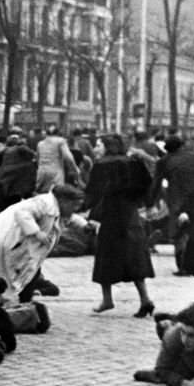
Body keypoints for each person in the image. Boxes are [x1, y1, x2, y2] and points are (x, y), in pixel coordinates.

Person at [0, 185, 86, 304]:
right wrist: (37, 233)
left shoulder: (54, 207)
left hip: (24, 250)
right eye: (74, 205)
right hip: (9, 242)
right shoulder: (43, 203)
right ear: (64, 201)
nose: (75, 209)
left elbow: (68, 218)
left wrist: (84, 225)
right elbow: (22, 213)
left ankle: (23, 306)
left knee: (25, 278)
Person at [83, 134, 155, 316]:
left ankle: (107, 299)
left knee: (106, 256)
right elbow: (147, 185)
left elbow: (94, 191)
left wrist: (87, 209)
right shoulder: (133, 162)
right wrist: (143, 204)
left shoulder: (101, 165)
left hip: (110, 214)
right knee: (134, 256)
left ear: (108, 147)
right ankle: (145, 298)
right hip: (130, 214)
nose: (97, 148)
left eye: (99, 145)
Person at [150, 135, 194, 276]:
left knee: (180, 234)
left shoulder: (163, 161)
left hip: (177, 200)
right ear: (182, 146)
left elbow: (156, 184)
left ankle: (183, 267)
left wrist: (150, 202)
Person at [35, 125, 78, 192]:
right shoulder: (60, 141)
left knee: (42, 196)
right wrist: (75, 169)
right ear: (58, 133)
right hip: (55, 173)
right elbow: (68, 157)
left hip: (42, 172)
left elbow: (37, 159)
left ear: (47, 134)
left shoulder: (40, 144)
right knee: (56, 195)